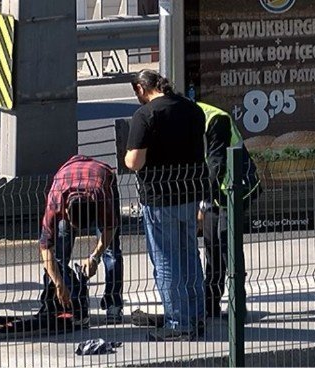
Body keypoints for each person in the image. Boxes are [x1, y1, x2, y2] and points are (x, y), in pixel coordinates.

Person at [125, 69, 208, 341]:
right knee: (189, 257)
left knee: (165, 261)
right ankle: (196, 316)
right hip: (190, 192)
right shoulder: (192, 109)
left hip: (160, 197)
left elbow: (134, 161)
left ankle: (178, 324)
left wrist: (128, 159)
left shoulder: (146, 115)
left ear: (141, 88)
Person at [38, 154, 124, 325]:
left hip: (100, 175)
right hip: (67, 177)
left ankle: (113, 303)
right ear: (66, 213)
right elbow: (45, 247)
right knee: (59, 252)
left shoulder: (100, 194)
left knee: (111, 250)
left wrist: (95, 256)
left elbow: (110, 228)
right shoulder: (56, 199)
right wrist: (59, 283)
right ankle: (57, 302)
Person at [196, 102, 260, 319]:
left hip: (234, 190)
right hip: (215, 193)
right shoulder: (195, 119)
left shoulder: (216, 119)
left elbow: (216, 163)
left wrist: (202, 203)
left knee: (228, 249)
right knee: (212, 249)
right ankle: (211, 306)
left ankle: (237, 306)